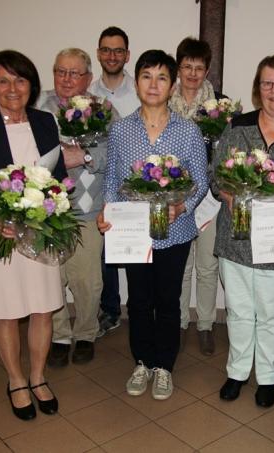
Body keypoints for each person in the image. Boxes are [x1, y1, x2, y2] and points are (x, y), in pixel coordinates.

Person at [0, 50, 66, 421]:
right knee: (5, 313)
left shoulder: (45, 121)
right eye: (3, 80)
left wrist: (54, 205)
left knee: (41, 308)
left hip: (39, 234)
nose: (12, 88)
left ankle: (38, 376)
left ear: (31, 85)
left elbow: (59, 176)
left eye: (20, 80)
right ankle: (16, 379)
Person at [97, 50, 208, 401]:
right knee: (140, 301)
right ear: (138, 81)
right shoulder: (120, 129)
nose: (154, 84)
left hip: (174, 233)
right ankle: (142, 361)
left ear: (171, 84)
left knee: (169, 300)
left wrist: (182, 207)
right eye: (147, 76)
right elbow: (113, 180)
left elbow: (201, 180)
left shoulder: (188, 130)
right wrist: (107, 214)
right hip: (133, 234)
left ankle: (164, 366)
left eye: (162, 77)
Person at [213, 54, 274, 408]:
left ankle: (268, 377)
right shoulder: (236, 127)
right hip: (235, 238)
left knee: (271, 313)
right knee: (238, 311)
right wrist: (226, 193)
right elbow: (215, 176)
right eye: (267, 83)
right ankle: (237, 372)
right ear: (258, 89)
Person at [37, 48, 120, 367]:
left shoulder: (105, 110)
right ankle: (58, 335)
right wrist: (60, 155)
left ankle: (85, 332)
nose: (66, 78)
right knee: (52, 278)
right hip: (45, 210)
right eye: (60, 71)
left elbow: (116, 153)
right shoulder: (38, 108)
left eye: (74, 73)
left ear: (87, 78)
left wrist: (85, 156)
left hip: (88, 208)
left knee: (87, 280)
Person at [169, 37, 223, 356]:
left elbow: (226, 152)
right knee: (180, 265)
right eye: (186, 66)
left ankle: (205, 324)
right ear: (178, 68)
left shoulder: (220, 106)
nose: (192, 73)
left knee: (207, 264)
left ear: (207, 70)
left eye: (198, 67)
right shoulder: (164, 103)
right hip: (175, 198)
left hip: (210, 200)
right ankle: (178, 322)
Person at [89, 26, 139, 337]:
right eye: (106, 50)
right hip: (99, 182)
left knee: (135, 251)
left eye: (118, 50)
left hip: (138, 187)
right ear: (98, 54)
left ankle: (139, 306)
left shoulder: (140, 90)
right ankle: (110, 308)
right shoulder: (88, 95)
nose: (112, 56)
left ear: (127, 55)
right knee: (104, 252)